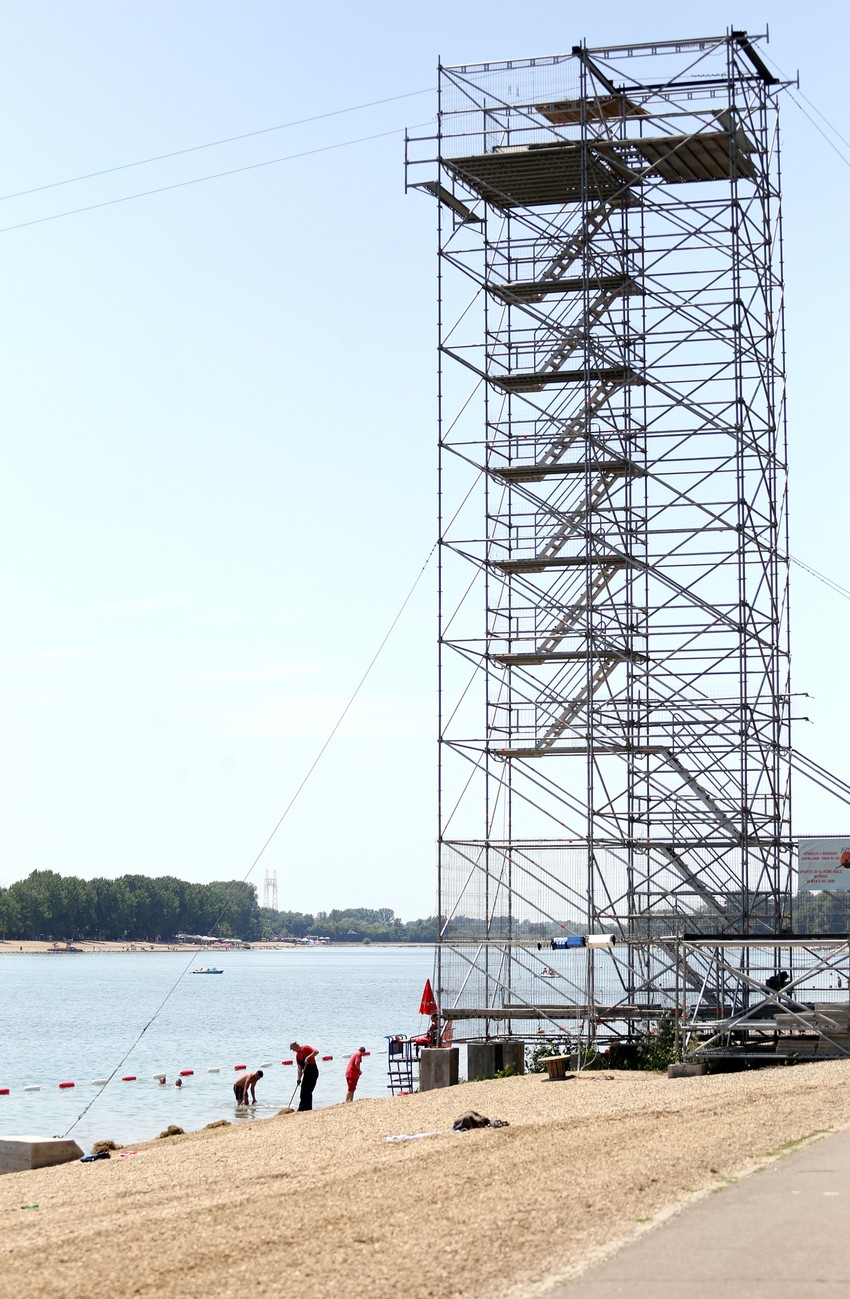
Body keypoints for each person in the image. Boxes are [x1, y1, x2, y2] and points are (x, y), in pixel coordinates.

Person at [290, 1041, 319, 1111]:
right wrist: (298, 1078)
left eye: (293, 1048)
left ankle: (308, 1108)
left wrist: (308, 1058)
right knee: (303, 1090)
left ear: (296, 1045)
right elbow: (299, 1067)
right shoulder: (297, 1055)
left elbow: (316, 1052)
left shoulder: (305, 1048)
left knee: (308, 1090)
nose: (293, 1051)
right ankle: (302, 1107)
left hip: (313, 1071)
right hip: (306, 1073)